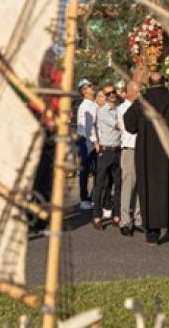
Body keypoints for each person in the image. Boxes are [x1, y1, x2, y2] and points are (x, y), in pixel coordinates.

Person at [122, 72, 169, 245]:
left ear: (149, 84)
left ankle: (153, 234)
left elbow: (129, 125)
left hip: (149, 155)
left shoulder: (141, 103)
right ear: (165, 83)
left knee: (151, 191)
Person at [91, 84, 122, 230]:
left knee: (118, 184)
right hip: (106, 151)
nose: (112, 95)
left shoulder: (119, 108)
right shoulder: (103, 111)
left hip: (118, 150)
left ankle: (116, 215)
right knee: (100, 184)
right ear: (104, 96)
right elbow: (118, 125)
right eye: (108, 93)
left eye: (113, 92)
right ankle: (97, 216)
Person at [116, 80, 142, 236]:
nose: (140, 94)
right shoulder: (123, 108)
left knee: (140, 185)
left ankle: (138, 218)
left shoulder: (141, 107)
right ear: (129, 92)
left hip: (141, 149)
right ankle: (125, 221)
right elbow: (129, 129)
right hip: (129, 149)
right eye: (137, 91)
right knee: (128, 186)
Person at [74, 79, 98, 210]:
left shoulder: (93, 104)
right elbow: (88, 127)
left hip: (93, 140)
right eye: (89, 86)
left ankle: (94, 196)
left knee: (97, 169)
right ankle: (84, 199)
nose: (92, 87)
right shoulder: (85, 106)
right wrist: (95, 142)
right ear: (84, 91)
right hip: (86, 140)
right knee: (85, 170)